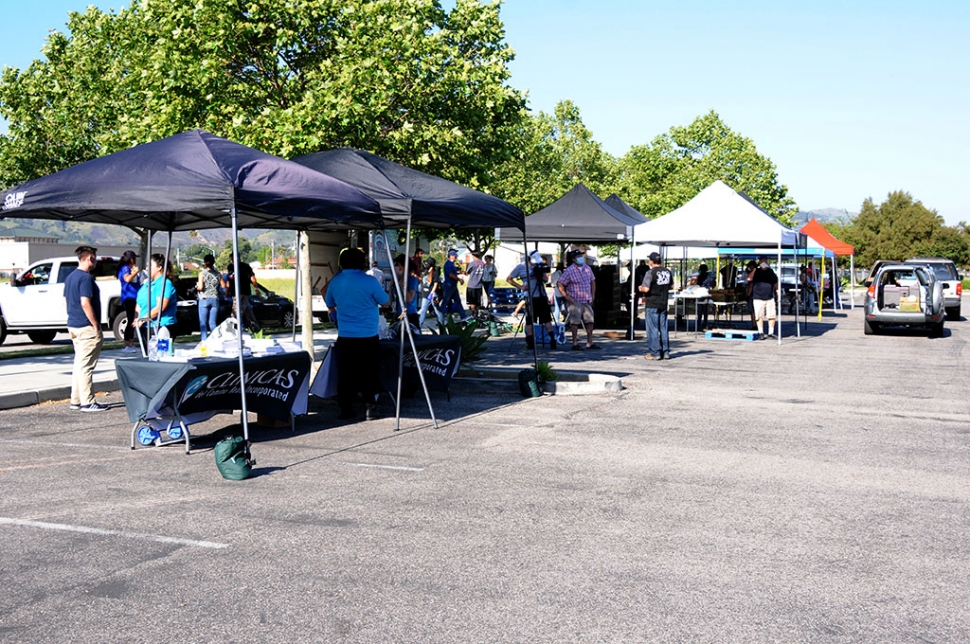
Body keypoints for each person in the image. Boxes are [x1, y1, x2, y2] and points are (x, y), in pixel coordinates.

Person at [324, 247, 390, 421]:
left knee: (345, 373)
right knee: (368, 372)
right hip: (368, 334)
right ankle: (370, 408)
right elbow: (385, 302)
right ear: (362, 262)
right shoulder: (370, 281)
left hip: (345, 334)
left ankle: (345, 408)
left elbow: (329, 302)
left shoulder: (335, 281)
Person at [65, 245, 107, 412]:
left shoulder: (70, 277)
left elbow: (66, 301)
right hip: (86, 327)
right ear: (90, 258)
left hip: (73, 325)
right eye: (94, 258)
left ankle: (76, 399)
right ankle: (87, 402)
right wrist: (95, 324)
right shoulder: (86, 278)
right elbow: (85, 302)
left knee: (79, 364)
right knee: (86, 366)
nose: (95, 261)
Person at [507, 251, 556, 350]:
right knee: (530, 320)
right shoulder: (520, 267)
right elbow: (509, 279)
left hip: (541, 295)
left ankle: (552, 340)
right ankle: (530, 342)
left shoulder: (539, 266)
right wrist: (520, 286)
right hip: (530, 296)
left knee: (546, 319)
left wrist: (541, 274)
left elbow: (546, 280)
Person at [557, 249, 599, 350]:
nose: (581, 258)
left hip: (587, 299)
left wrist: (592, 295)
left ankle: (590, 342)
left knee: (590, 321)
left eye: (581, 256)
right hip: (575, 300)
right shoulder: (569, 270)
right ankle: (575, 342)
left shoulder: (587, 268)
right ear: (574, 259)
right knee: (575, 322)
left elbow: (592, 281)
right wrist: (566, 296)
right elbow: (560, 283)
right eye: (578, 256)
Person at [135, 253, 178, 343]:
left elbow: (160, 307)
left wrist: (143, 319)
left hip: (161, 326)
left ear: (159, 267)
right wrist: (137, 317)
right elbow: (139, 301)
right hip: (145, 326)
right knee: (149, 354)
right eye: (147, 266)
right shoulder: (147, 283)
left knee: (159, 354)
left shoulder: (165, 284)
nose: (147, 268)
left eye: (150, 265)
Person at [639, 252, 672, 360]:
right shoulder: (667, 272)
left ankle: (655, 352)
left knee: (652, 328)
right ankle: (666, 352)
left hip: (652, 303)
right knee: (664, 327)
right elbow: (671, 286)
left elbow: (646, 289)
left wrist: (640, 288)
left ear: (652, 261)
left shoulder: (650, 272)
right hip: (663, 303)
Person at [223, 261, 261, 332]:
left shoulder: (245, 266)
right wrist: (227, 291)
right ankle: (255, 327)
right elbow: (229, 279)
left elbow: (252, 278)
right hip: (234, 293)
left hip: (244, 291)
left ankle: (234, 328)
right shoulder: (231, 267)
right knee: (246, 310)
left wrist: (256, 288)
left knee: (237, 311)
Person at [749, 255, 779, 339]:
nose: (764, 263)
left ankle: (771, 333)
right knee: (759, 315)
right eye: (762, 261)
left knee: (772, 315)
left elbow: (775, 283)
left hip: (769, 297)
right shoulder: (756, 271)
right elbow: (749, 279)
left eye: (765, 261)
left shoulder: (770, 271)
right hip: (758, 297)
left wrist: (778, 294)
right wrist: (755, 269)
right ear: (759, 262)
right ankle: (761, 332)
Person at [116, 250, 141, 353]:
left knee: (133, 319)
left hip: (134, 296)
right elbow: (127, 279)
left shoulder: (129, 268)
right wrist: (135, 272)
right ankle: (127, 344)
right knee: (131, 320)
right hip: (129, 297)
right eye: (134, 258)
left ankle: (131, 342)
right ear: (131, 259)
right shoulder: (125, 268)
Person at [196, 253, 221, 341]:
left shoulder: (202, 273)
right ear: (213, 262)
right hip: (215, 298)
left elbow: (201, 287)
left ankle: (204, 341)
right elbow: (224, 286)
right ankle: (214, 340)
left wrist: (196, 287)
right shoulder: (218, 274)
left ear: (205, 262)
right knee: (213, 323)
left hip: (204, 298)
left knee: (203, 323)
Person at [392, 253, 421, 329]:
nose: (397, 268)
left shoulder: (412, 280)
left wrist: (402, 285)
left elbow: (409, 299)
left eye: (398, 265)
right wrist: (391, 286)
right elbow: (391, 299)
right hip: (399, 314)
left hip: (410, 315)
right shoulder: (397, 280)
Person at [440, 248, 466, 319]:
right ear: (451, 256)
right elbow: (450, 275)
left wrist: (459, 273)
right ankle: (439, 315)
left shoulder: (452, 264)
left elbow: (453, 273)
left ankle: (463, 316)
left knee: (458, 301)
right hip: (449, 285)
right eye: (455, 256)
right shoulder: (448, 264)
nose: (456, 257)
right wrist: (459, 279)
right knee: (446, 301)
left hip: (453, 285)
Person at [418, 257, 441, 327]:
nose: (426, 264)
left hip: (433, 295)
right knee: (423, 311)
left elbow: (436, 284)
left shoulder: (435, 273)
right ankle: (419, 325)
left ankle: (441, 324)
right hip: (425, 295)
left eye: (427, 263)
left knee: (437, 310)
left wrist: (432, 293)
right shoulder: (426, 272)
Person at [690, 263, 714, 329]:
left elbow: (698, 284)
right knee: (705, 310)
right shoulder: (708, 275)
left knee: (700, 310)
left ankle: (698, 324)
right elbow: (712, 283)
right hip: (706, 293)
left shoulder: (700, 276)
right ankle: (705, 324)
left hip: (700, 293)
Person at [464, 250, 486, 315]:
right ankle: (477, 313)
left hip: (472, 285)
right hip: (479, 285)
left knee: (472, 301)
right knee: (478, 301)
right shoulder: (482, 263)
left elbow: (467, 273)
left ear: (473, 255)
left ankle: (473, 314)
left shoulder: (473, 263)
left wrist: (463, 272)